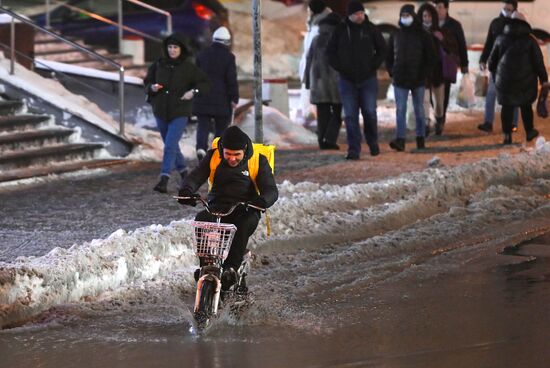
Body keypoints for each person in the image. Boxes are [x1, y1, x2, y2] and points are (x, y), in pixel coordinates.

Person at [178, 126, 279, 290]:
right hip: (218, 206)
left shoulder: (258, 160)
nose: (232, 159)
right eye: (228, 154)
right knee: (201, 220)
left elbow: (271, 189)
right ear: (222, 149)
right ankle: (205, 266)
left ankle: (231, 269)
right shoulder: (213, 157)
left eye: (236, 155)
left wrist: (262, 201)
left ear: (244, 150)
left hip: (247, 208)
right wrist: (187, 190)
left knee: (242, 226)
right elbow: (196, 176)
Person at [145, 34, 210, 193]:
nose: (172, 50)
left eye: (175, 47)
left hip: (180, 110)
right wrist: (151, 88)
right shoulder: (159, 65)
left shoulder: (189, 68)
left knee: (170, 145)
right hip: (160, 110)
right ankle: (185, 174)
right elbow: (147, 81)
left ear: (181, 49)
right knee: (171, 145)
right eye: (170, 47)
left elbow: (205, 83)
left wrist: (192, 92)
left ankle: (164, 178)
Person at [326, 0, 386, 160]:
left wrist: (373, 65)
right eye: (356, 14)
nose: (360, 16)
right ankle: (354, 149)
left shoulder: (371, 28)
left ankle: (373, 142)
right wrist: (341, 67)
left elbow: (382, 49)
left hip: (368, 79)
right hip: (347, 80)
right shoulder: (340, 30)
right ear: (349, 15)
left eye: (361, 13)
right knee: (351, 116)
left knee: (369, 113)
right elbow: (330, 53)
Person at [488, 12, 549, 145]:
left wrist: (495, 75)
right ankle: (529, 131)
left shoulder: (500, 38)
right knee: (526, 106)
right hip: (526, 81)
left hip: (505, 81)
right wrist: (544, 79)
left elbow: (491, 62)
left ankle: (507, 135)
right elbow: (538, 62)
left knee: (507, 107)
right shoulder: (530, 40)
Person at [386, 4, 434, 151]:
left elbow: (431, 57)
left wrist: (424, 73)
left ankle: (420, 138)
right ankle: (400, 139)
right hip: (400, 78)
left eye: (407, 15)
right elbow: (389, 56)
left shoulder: (423, 35)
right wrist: (392, 71)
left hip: (418, 78)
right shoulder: (396, 34)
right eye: (403, 16)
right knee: (400, 109)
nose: (405, 18)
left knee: (419, 109)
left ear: (413, 16)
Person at [193, 26, 239, 162]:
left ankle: (201, 147)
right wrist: (234, 97)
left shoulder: (201, 55)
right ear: (227, 42)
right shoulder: (229, 57)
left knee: (203, 124)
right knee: (221, 127)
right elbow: (231, 79)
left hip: (203, 96)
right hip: (222, 99)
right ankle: (215, 150)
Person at [478, 0, 519, 133]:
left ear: (514, 10)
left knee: (512, 94)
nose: (506, 11)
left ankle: (513, 123)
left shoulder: (519, 24)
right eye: (505, 8)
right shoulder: (496, 23)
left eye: (509, 9)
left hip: (512, 66)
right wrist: (483, 59)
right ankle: (488, 122)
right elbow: (489, 42)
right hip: (496, 66)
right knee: (491, 94)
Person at [305, 10, 343, 150]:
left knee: (323, 114)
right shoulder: (339, 39)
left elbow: (309, 60)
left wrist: (308, 81)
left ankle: (322, 141)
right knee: (338, 112)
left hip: (319, 83)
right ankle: (330, 138)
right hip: (336, 83)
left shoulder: (316, 39)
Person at [417, 2, 456, 137]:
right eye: (424, 16)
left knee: (439, 103)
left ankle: (439, 120)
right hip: (423, 74)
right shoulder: (417, 33)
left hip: (438, 73)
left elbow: (452, 49)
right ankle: (426, 123)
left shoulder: (441, 32)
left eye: (429, 16)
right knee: (425, 100)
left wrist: (443, 39)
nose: (426, 19)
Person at [433, 0, 468, 134]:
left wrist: (464, 65)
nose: (437, 10)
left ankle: (440, 119)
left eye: (440, 7)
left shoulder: (454, 25)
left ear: (446, 8)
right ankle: (438, 115)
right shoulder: (431, 23)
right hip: (432, 64)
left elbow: (462, 45)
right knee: (432, 95)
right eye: (435, 7)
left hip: (447, 65)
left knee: (444, 92)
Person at [298, 0, 331, 125]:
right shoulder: (314, 24)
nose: (307, 12)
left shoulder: (321, 27)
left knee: (320, 100)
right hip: (312, 69)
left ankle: (322, 127)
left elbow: (313, 52)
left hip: (318, 70)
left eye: (308, 9)